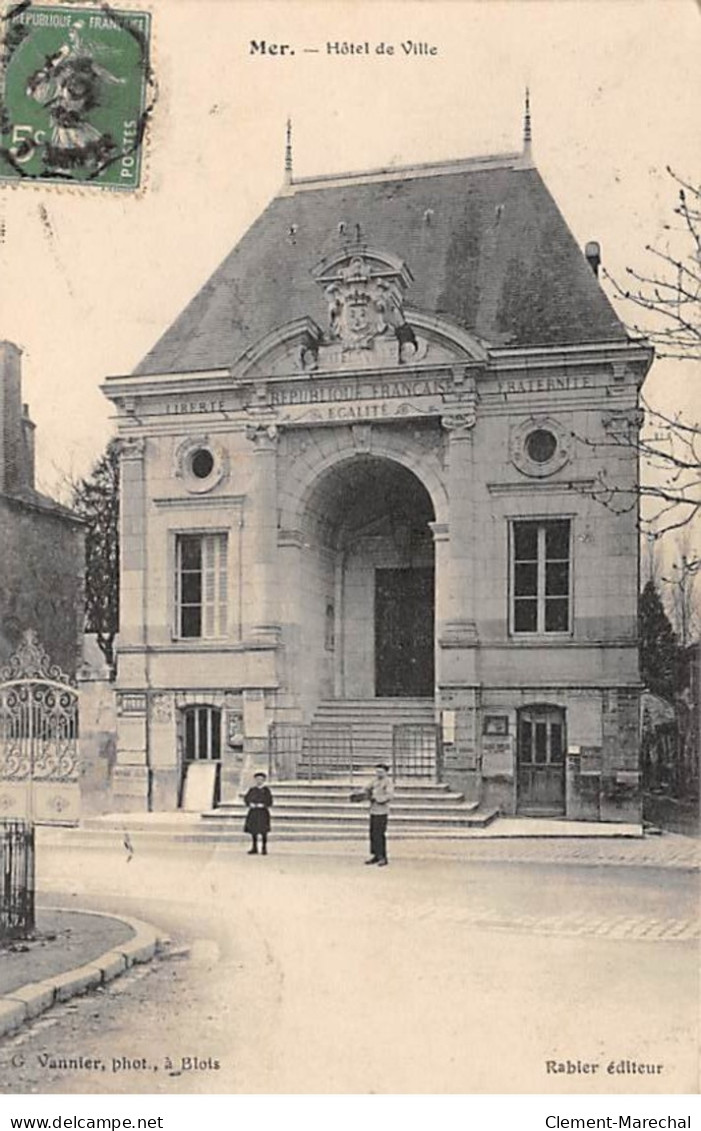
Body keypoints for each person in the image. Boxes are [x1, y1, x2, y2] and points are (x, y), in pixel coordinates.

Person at [352, 763, 394, 867]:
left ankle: (383, 857)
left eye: (381, 772)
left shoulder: (388, 782)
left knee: (380, 834)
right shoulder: (374, 781)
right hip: (373, 810)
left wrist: (378, 798)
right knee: (373, 834)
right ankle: (375, 854)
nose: (378, 773)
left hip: (382, 811)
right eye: (377, 771)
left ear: (386, 772)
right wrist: (361, 793)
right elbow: (366, 788)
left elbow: (389, 795)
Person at [243, 771, 273, 855]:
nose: (259, 781)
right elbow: (246, 799)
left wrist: (263, 805)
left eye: (261, 779)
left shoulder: (266, 790)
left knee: (263, 831)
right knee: (253, 831)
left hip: (262, 813)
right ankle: (254, 847)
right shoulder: (252, 790)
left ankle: (264, 848)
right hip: (254, 812)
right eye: (257, 779)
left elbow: (270, 801)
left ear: (264, 780)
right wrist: (250, 804)